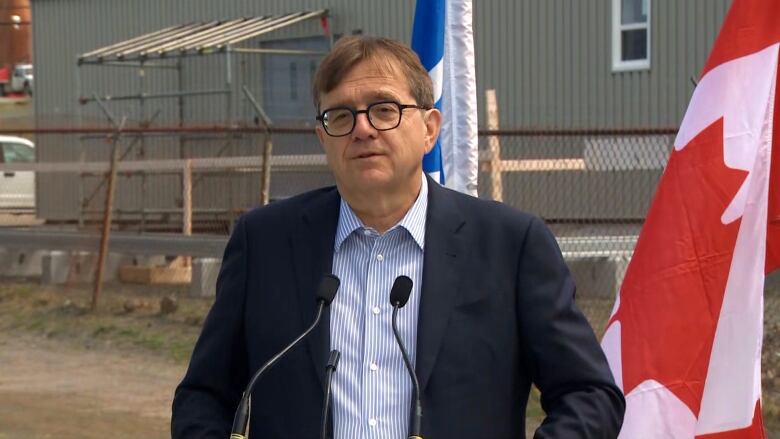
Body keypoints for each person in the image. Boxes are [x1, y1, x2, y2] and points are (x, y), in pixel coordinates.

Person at [172, 36, 625, 439]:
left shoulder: (509, 244)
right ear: (322, 137)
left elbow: (590, 394)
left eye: (384, 109)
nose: (363, 128)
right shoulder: (264, 243)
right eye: (341, 115)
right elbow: (202, 398)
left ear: (429, 128)